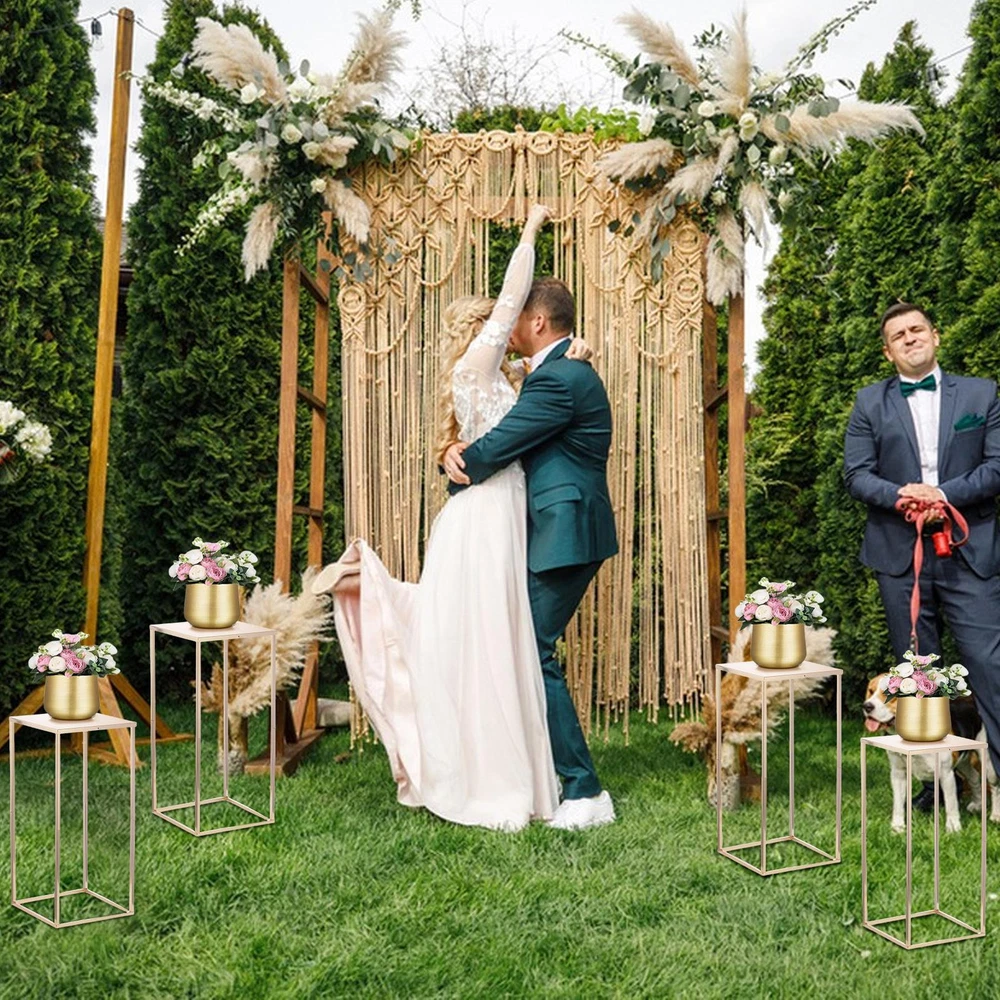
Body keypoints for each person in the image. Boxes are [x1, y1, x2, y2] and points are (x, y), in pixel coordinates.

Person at [315, 205, 593, 832]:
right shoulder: (478, 366)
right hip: (488, 515)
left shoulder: (497, 379)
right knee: (493, 639)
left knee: (496, 638)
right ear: (485, 330)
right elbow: (515, 296)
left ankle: (503, 765)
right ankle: (492, 775)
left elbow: (545, 382)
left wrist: (580, 351)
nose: (510, 328)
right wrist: (530, 229)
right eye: (500, 322)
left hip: (499, 511)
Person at [443, 229, 619, 832]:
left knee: (532, 650)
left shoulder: (559, 379)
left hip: (565, 529)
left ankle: (586, 791)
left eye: (517, 316)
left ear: (538, 322)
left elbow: (503, 443)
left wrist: (459, 470)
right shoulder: (556, 369)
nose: (509, 327)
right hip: (557, 525)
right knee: (526, 648)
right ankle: (547, 776)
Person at [844, 301, 1000, 797]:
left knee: (990, 667)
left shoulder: (981, 393)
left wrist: (942, 495)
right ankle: (938, 786)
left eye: (917, 329)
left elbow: (997, 465)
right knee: (919, 672)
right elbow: (857, 474)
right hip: (900, 554)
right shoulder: (869, 403)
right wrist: (904, 496)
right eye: (898, 335)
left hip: (969, 551)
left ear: (935, 336)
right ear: (888, 353)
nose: (910, 338)